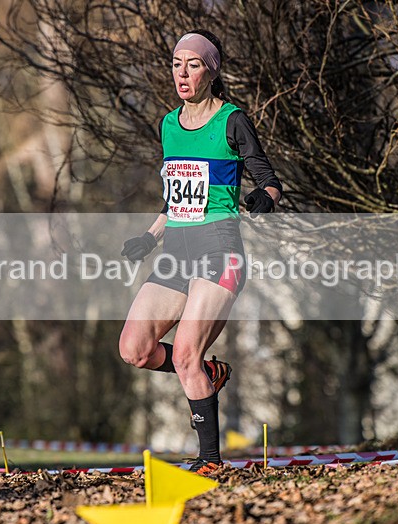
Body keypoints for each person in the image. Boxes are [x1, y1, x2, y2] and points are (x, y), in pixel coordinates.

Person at [118, 30, 282, 475]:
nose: (182, 73)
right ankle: (210, 373)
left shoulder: (233, 120)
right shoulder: (168, 126)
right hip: (175, 252)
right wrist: (150, 237)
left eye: (193, 64)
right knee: (134, 349)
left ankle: (209, 460)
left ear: (212, 70)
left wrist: (264, 198)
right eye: (176, 63)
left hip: (219, 250)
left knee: (185, 352)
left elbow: (270, 179)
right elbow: (177, 199)